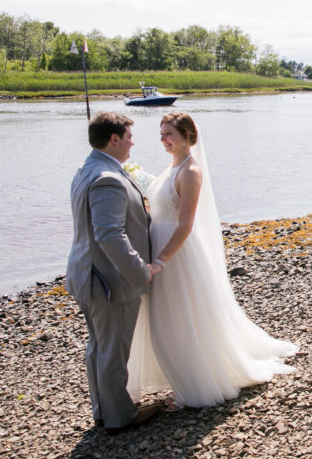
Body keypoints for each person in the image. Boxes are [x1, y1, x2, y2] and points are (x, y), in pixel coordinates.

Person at [126, 112, 297, 409]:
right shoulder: (171, 167)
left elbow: (186, 223)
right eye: (161, 134)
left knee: (181, 317)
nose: (164, 139)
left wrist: (162, 260)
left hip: (176, 253)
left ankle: (193, 382)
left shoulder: (191, 171)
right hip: (158, 244)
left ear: (187, 137)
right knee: (164, 317)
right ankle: (176, 374)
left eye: (169, 134)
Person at [66, 111, 163, 434]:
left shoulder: (86, 168)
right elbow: (109, 234)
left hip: (84, 273)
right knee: (112, 350)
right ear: (114, 139)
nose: (133, 143)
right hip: (108, 280)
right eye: (130, 137)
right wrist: (139, 270)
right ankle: (120, 417)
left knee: (98, 345)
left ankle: (102, 410)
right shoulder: (108, 177)